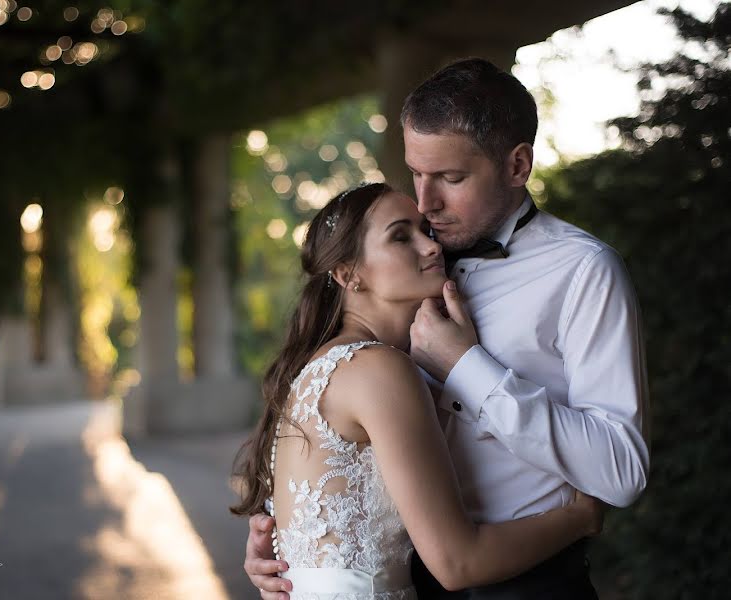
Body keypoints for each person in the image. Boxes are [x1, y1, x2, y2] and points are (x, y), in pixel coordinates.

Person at [243, 59, 649, 599]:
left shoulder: (583, 272)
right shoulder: (403, 273)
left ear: (517, 165)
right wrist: (300, 553)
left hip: (529, 582)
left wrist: (468, 369)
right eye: (416, 173)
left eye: (451, 179)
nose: (427, 205)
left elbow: (622, 471)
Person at [232, 182, 604, 600]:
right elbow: (458, 562)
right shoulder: (377, 368)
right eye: (400, 236)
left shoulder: (317, 367)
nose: (431, 247)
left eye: (425, 231)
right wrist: (581, 516)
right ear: (348, 273)